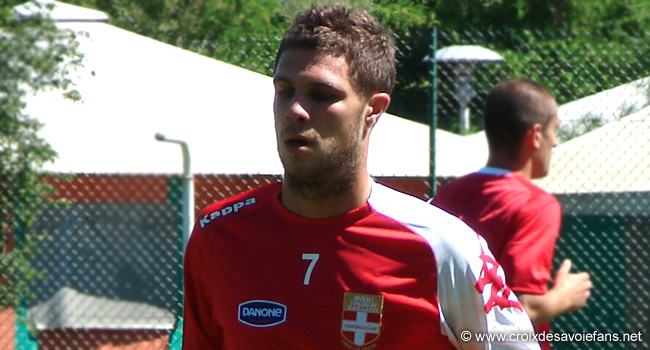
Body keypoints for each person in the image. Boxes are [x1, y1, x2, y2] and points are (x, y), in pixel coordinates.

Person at [182, 5, 538, 350]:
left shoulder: (444, 248)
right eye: (284, 91)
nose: (295, 110)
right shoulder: (219, 235)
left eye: (322, 95)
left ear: (373, 110)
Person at [432, 78, 593, 350]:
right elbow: (519, 309)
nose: (555, 143)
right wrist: (564, 297)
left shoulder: (444, 196)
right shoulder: (535, 204)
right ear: (536, 135)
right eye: (555, 131)